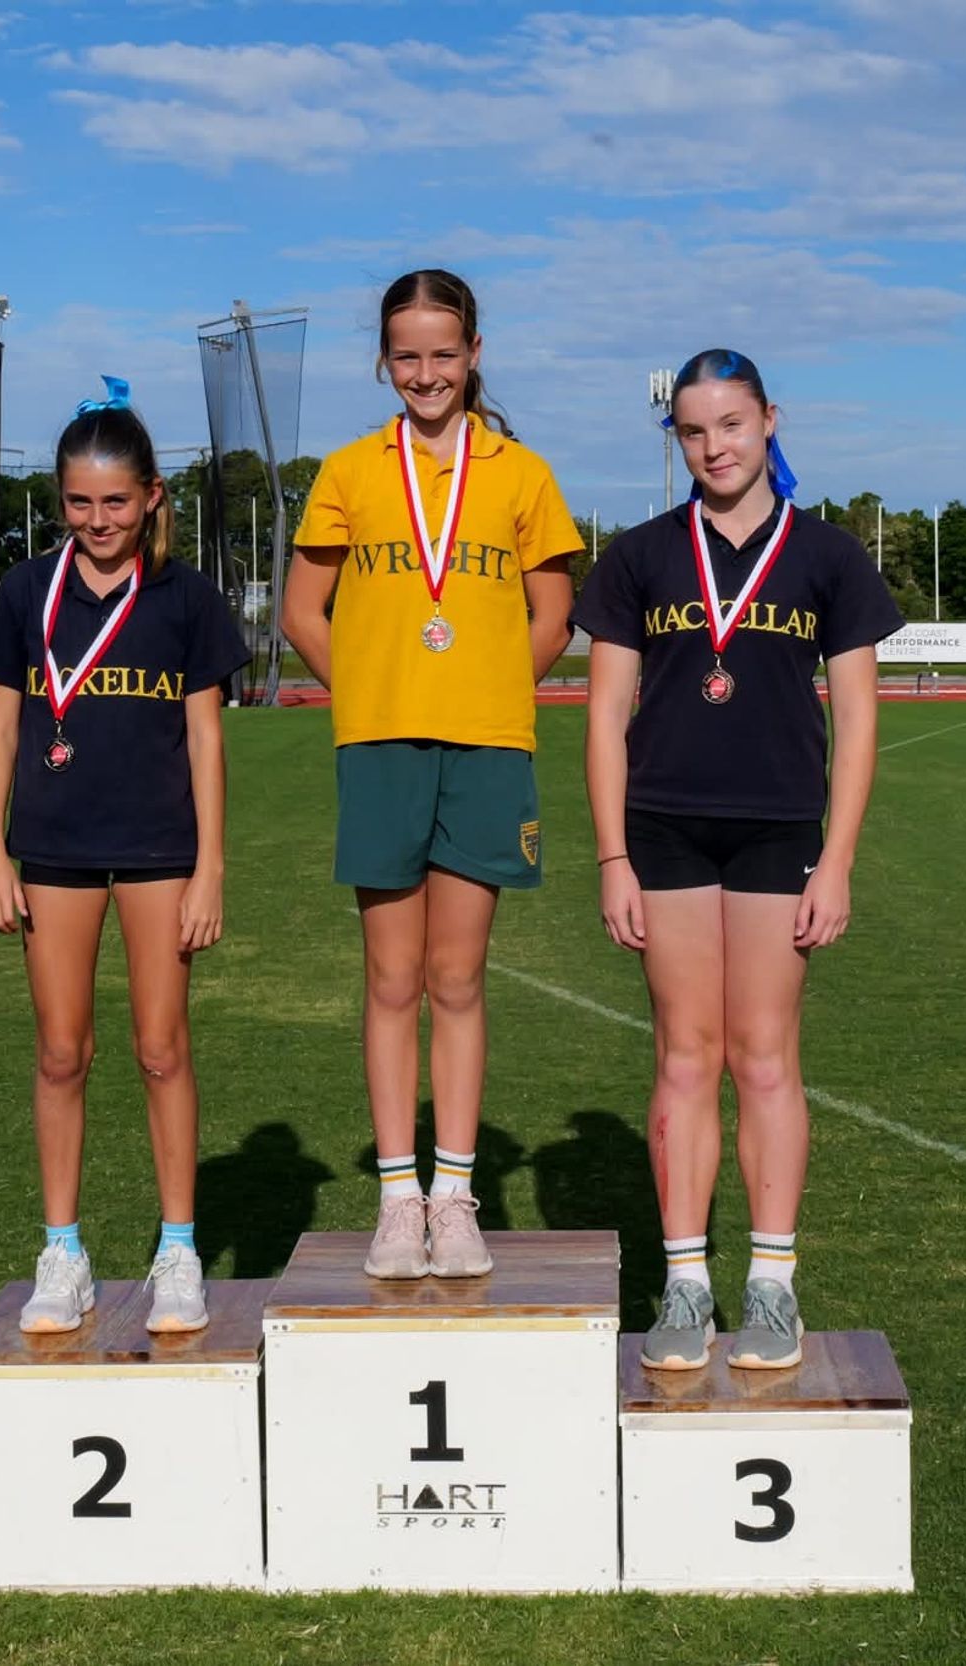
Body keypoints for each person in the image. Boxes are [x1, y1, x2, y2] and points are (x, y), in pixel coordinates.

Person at [574, 348, 904, 1372]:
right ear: (675, 438)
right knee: (684, 1052)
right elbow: (604, 716)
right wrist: (612, 855)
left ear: (768, 421)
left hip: (778, 830)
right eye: (692, 430)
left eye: (730, 423)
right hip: (664, 828)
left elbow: (857, 721)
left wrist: (838, 859)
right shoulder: (639, 556)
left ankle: (770, 1284)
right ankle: (684, 1284)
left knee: (763, 1055)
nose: (713, 446)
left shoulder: (828, 556)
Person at [280, 268, 581, 1280]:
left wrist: (484, 690)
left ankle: (454, 1197)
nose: (425, 373)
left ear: (474, 353)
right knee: (391, 977)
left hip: (487, 747)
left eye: (444, 353)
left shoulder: (522, 475)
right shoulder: (349, 472)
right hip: (381, 748)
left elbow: (553, 617)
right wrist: (371, 693)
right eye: (406, 355)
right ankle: (396, 1199)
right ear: (383, 360)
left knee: (456, 977)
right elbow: (300, 613)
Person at [0, 380, 250, 1335]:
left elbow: (207, 740)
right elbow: (0, 728)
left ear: (152, 497)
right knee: (61, 1052)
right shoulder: (25, 592)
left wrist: (211, 867)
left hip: (160, 851)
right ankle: (64, 1252)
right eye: (80, 503)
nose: (98, 521)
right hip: (51, 849)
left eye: (117, 502)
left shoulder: (186, 598)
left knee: (162, 1049)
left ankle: (179, 1250)